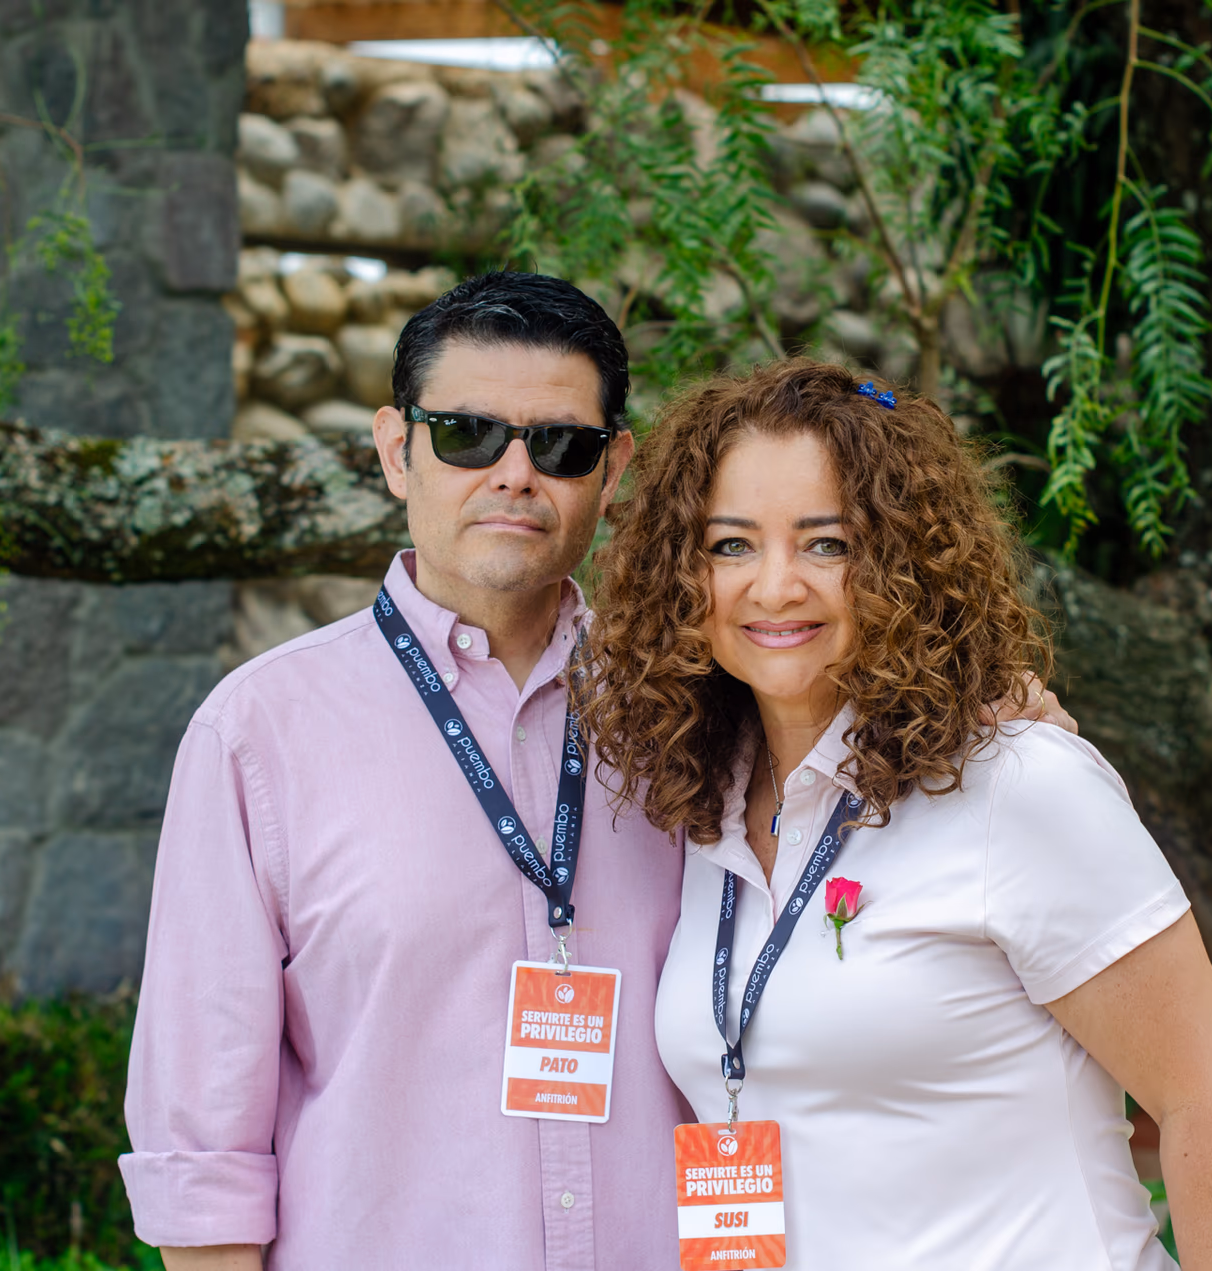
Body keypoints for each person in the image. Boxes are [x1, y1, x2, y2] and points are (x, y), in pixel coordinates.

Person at [120, 273, 1073, 1270]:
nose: (515, 474)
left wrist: (995, 709)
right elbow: (202, 1152)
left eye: (561, 445)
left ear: (612, 471)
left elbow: (891, 760)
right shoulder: (258, 733)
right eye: (468, 434)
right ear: (397, 450)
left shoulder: (709, 701)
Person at [579, 360, 1212, 1270]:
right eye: (731, 545)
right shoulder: (701, 806)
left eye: (826, 543)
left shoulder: (1016, 785)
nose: (777, 585)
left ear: (899, 562)